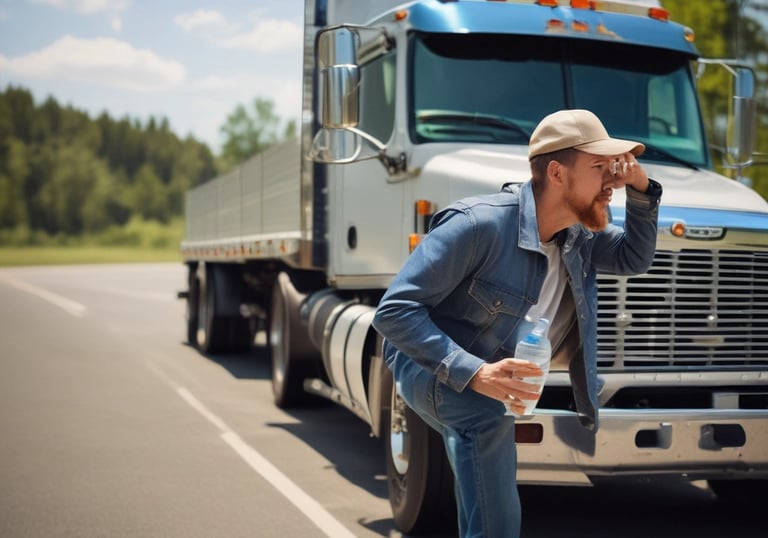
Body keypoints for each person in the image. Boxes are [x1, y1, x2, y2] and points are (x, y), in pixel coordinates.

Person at [372, 109, 662, 538]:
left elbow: (633, 258)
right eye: (600, 168)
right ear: (558, 173)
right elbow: (393, 310)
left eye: (615, 169)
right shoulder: (479, 224)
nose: (611, 182)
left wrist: (641, 188)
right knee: (485, 423)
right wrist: (475, 373)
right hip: (428, 363)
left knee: (480, 465)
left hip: (498, 375)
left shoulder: (577, 236)